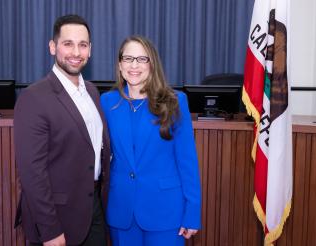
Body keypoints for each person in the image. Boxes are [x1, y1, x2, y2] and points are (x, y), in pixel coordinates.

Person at [14, 14, 110, 246]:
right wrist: (50, 231)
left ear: (90, 50)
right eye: (68, 44)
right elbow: (32, 172)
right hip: (57, 218)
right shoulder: (33, 97)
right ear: (52, 47)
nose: (76, 52)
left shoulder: (93, 92)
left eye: (83, 45)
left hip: (94, 211)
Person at [100, 36, 201, 245]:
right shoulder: (107, 102)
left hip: (166, 211)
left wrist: (192, 211)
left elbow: (187, 161)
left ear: (152, 64)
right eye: (128, 58)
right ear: (119, 65)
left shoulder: (175, 101)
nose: (134, 65)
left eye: (141, 59)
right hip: (122, 210)